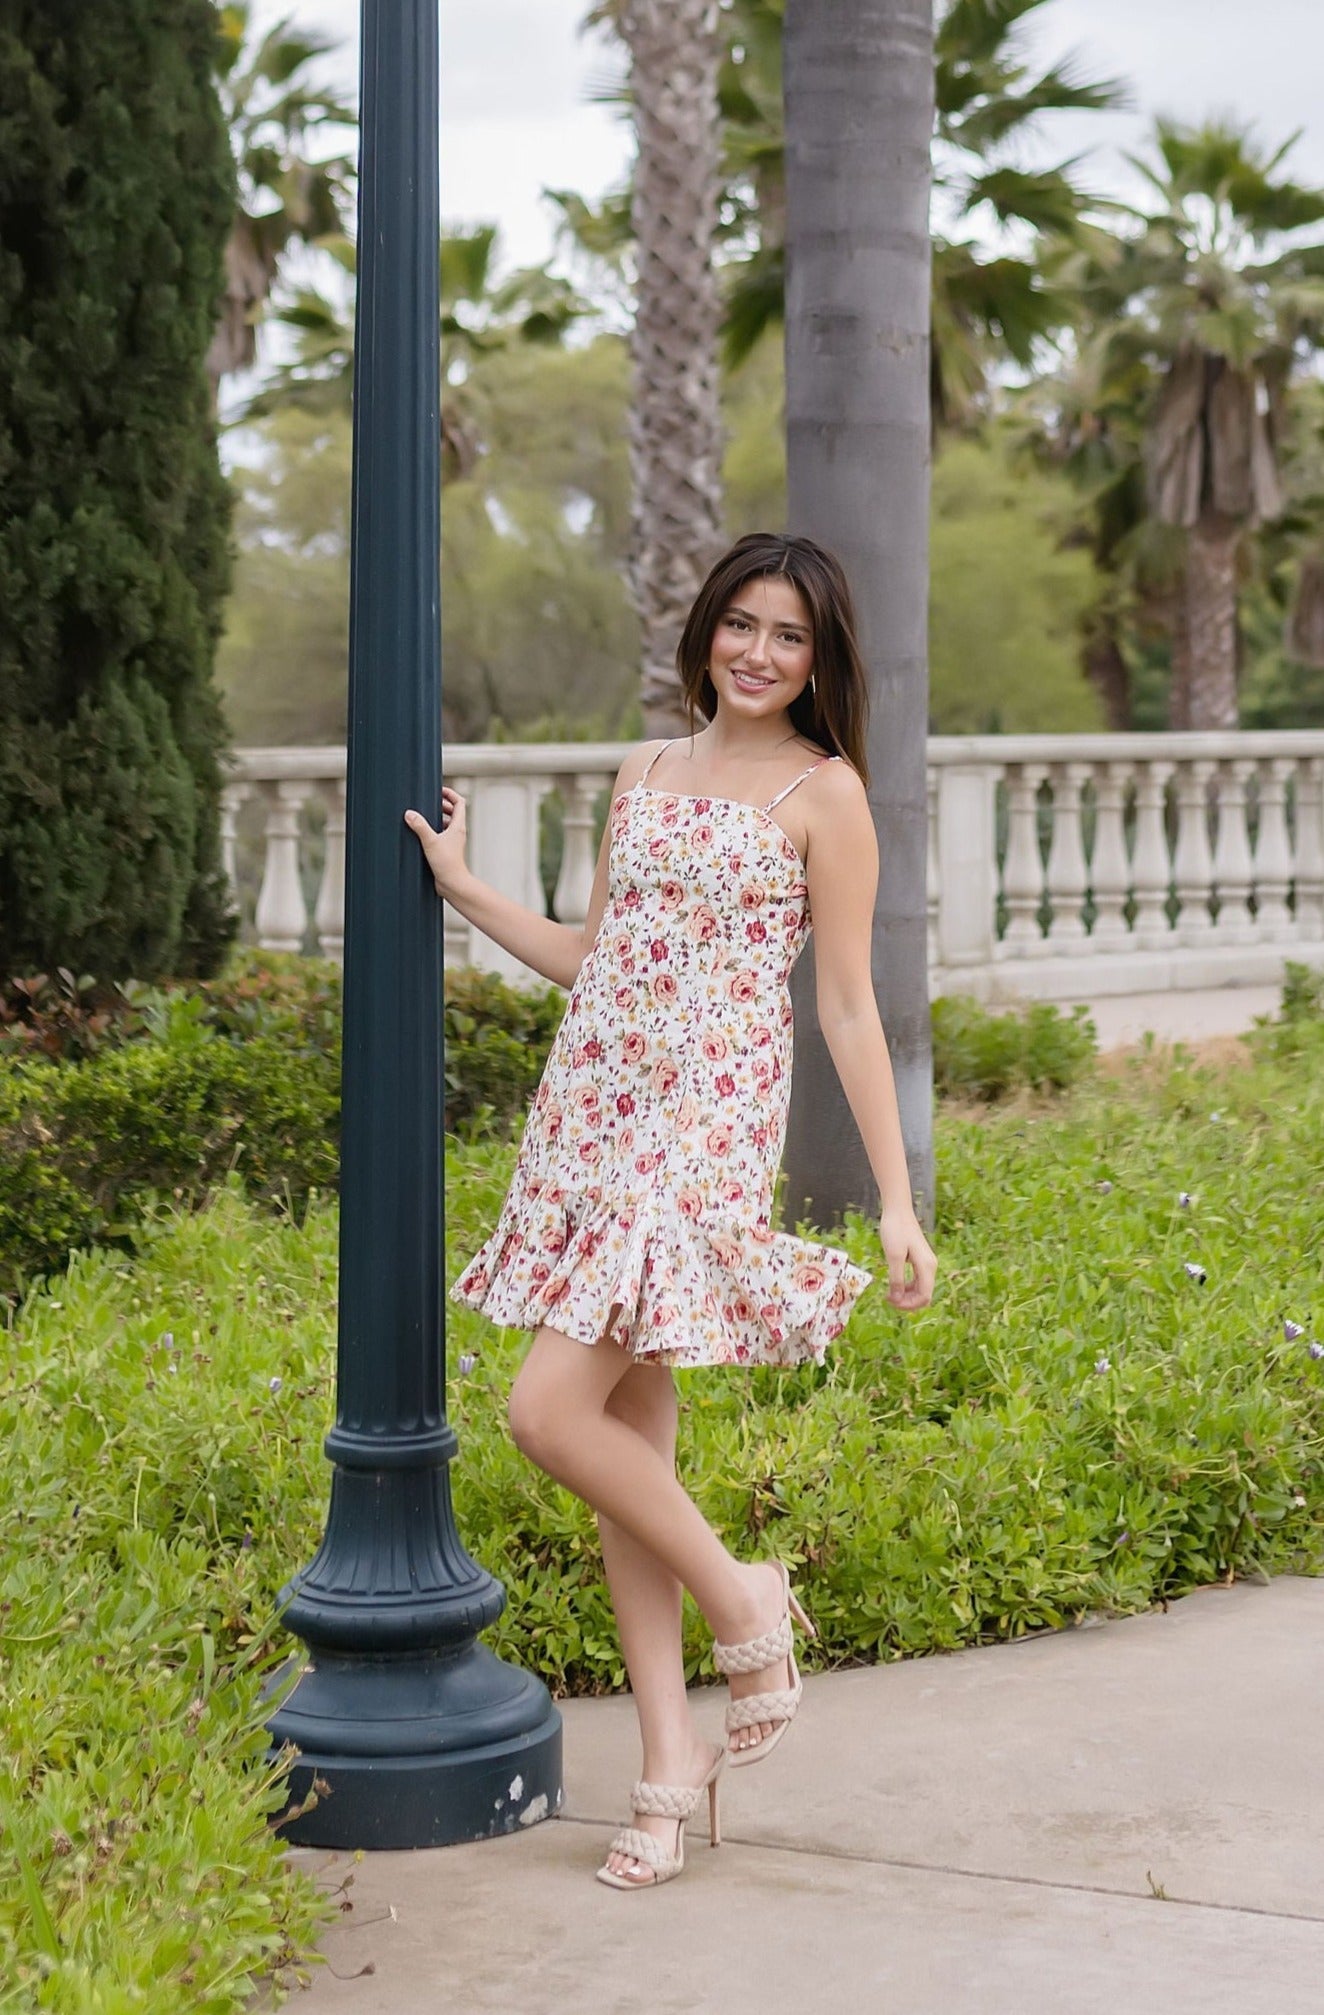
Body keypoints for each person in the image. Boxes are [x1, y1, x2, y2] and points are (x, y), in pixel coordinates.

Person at [404, 531, 937, 1891]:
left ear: (820, 661)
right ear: (706, 629)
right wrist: (468, 895)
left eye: (790, 638)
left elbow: (845, 1006)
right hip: (590, 1123)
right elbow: (597, 957)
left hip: (698, 1140)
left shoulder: (828, 794)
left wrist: (893, 1201)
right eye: (741, 626)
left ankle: (747, 1597)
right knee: (623, 1442)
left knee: (545, 1414)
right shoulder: (642, 770)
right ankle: (667, 1766)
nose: (759, 654)